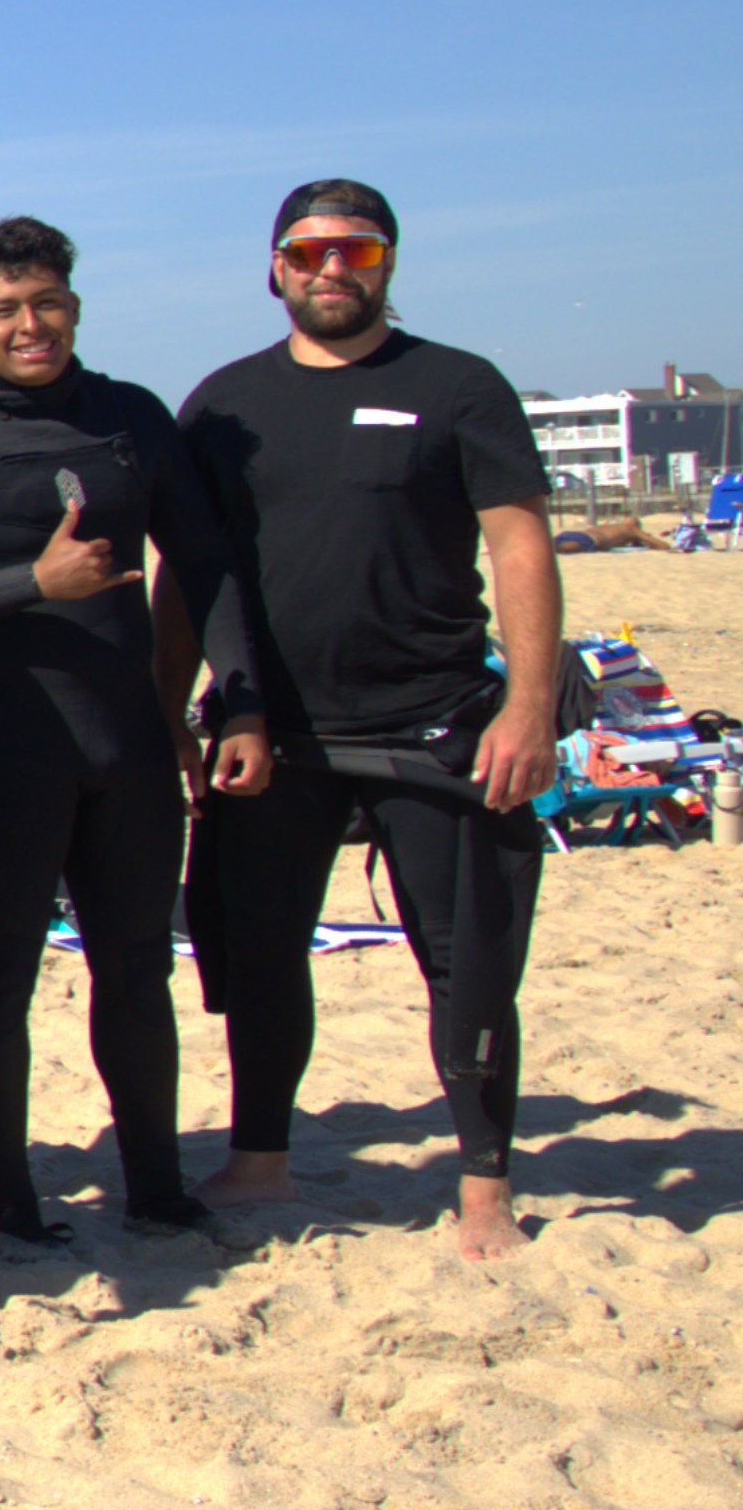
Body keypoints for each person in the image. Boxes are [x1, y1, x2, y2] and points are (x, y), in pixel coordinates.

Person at [177, 180, 556, 1260]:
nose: (331, 269)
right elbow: (187, 577)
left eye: (357, 251)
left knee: (469, 961)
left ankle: (483, 1183)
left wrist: (527, 705)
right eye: (308, 251)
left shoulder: (456, 386)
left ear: (386, 264)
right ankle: (260, 1159)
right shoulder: (223, 405)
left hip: (438, 723)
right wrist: (175, 716)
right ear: (274, 266)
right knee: (254, 954)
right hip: (271, 734)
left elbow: (518, 543)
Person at [0, 217, 247, 1242]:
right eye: (5, 311)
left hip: (124, 745)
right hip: (0, 752)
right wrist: (32, 583)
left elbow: (203, 565)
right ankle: (13, 1202)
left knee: (135, 968)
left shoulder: (127, 419)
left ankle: (155, 1183)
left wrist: (231, 696)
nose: (31, 326)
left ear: (71, 305)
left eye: (48, 304)